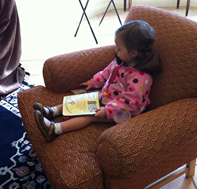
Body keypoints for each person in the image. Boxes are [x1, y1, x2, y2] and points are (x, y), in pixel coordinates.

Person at [33, 20, 162, 142]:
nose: (115, 51)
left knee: (89, 116)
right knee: (79, 101)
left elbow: (132, 101)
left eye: (119, 49)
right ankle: (51, 111)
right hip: (107, 97)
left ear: (134, 53)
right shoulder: (122, 60)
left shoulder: (141, 77)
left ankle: (54, 130)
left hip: (123, 111)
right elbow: (107, 72)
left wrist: (108, 110)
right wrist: (94, 82)